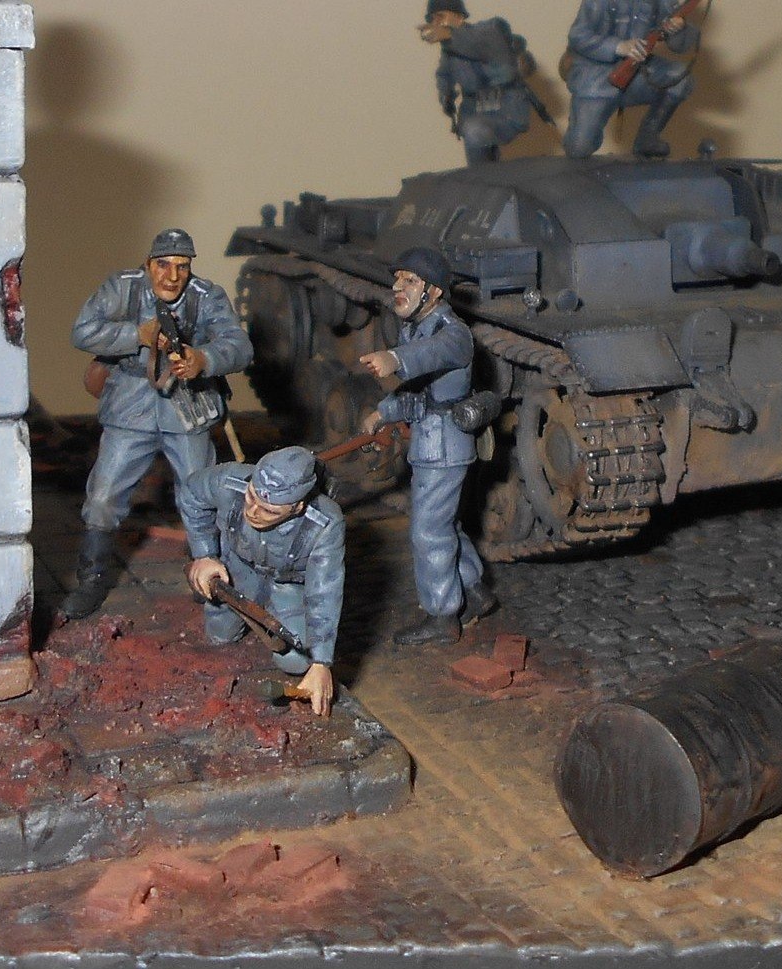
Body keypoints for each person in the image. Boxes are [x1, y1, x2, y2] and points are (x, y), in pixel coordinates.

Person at [59, 228, 253, 621]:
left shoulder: (206, 296)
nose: (172, 276)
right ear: (149, 264)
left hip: (189, 406)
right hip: (131, 406)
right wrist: (136, 335)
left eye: (182, 266)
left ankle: (206, 572)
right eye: (163, 265)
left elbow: (239, 346)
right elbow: (83, 331)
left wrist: (203, 359)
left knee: (199, 493)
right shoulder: (123, 288)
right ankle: (91, 579)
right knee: (104, 494)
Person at [358, 248, 495, 648]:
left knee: (428, 531)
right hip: (431, 440)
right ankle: (475, 590)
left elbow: (431, 356)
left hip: (444, 445)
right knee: (444, 524)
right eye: (397, 278)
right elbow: (417, 393)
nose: (397, 287)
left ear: (433, 291)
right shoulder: (416, 328)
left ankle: (442, 614)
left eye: (410, 280)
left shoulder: (452, 333)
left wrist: (394, 357)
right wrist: (383, 412)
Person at [185, 447, 343, 717]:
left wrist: (321, 663)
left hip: (288, 582)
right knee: (220, 634)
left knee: (297, 660)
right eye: (251, 497)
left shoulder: (325, 524)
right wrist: (204, 554)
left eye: (269, 510)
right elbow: (191, 492)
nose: (253, 512)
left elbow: (325, 592)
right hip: (238, 567)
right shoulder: (230, 481)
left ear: (297, 507)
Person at [562, 0, 699, 159]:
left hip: (637, 72)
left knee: (679, 78)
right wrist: (618, 46)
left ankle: (648, 137)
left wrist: (676, 28)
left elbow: (680, 46)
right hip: (596, 79)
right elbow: (578, 36)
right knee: (579, 148)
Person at [420, 0, 533, 165]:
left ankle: (481, 176)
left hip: (506, 109)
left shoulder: (490, 31)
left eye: (440, 16)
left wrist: (449, 34)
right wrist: (446, 97)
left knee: (475, 131)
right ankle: (482, 176)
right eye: (432, 19)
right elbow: (444, 74)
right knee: (475, 134)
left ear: (459, 17)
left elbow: (477, 44)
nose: (436, 23)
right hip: (474, 110)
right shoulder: (449, 52)